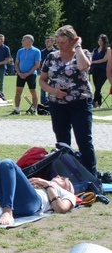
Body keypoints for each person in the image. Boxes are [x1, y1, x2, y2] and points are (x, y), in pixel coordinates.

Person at [39, 25, 96, 175]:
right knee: (62, 142)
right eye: (58, 42)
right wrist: (53, 91)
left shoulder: (83, 53)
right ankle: (66, 175)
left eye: (63, 42)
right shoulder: (52, 57)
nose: (60, 45)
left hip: (80, 103)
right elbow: (42, 80)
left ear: (72, 42)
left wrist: (78, 47)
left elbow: (84, 67)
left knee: (84, 140)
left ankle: (91, 176)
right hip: (57, 104)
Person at [11, 35, 42, 115]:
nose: (22, 41)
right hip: (20, 74)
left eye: (24, 40)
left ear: (29, 41)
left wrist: (28, 73)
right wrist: (19, 72)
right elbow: (16, 63)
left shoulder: (36, 51)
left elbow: (37, 65)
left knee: (33, 91)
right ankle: (17, 109)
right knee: (18, 91)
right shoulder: (20, 51)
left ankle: (35, 109)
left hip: (31, 74)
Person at [90, 34, 110, 108]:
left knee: (98, 86)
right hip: (95, 70)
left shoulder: (107, 50)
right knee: (97, 88)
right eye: (99, 40)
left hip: (103, 70)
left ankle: (94, 101)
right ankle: (99, 104)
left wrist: (94, 62)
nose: (100, 42)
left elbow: (105, 59)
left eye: (101, 41)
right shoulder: (95, 50)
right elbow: (91, 58)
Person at [40, 37, 56, 105]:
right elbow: (40, 61)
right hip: (44, 71)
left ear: (53, 42)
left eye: (48, 41)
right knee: (43, 85)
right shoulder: (42, 52)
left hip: (54, 72)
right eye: (46, 41)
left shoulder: (56, 52)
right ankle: (43, 101)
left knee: (53, 85)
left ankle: (52, 100)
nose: (46, 43)